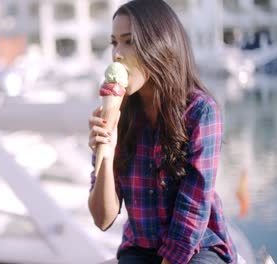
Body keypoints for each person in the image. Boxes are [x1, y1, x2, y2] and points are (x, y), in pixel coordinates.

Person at [87, 1, 237, 263]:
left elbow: (193, 209)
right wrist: (106, 156)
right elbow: (103, 219)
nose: (117, 54)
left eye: (129, 41)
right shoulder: (116, 114)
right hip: (140, 248)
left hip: (197, 246)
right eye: (114, 43)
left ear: (159, 45)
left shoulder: (201, 111)